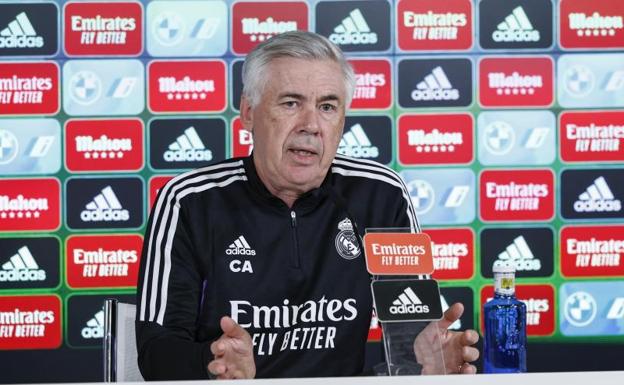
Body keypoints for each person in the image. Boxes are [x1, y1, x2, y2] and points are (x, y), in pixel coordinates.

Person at [135, 30, 479, 380]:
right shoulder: (190, 201)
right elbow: (156, 353)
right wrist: (214, 364)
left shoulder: (380, 194)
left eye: (327, 106)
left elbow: (410, 331)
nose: (311, 125)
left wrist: (429, 360)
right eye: (291, 103)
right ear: (249, 112)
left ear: (342, 120)